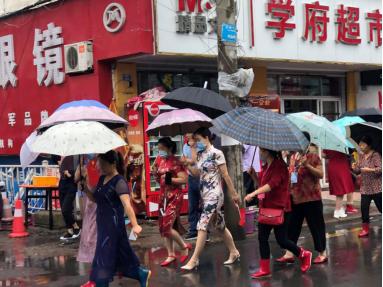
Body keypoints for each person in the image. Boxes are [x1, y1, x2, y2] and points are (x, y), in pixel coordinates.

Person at [80, 150, 151, 287]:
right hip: (102, 224)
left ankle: (101, 283)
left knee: (104, 257)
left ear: (112, 163)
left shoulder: (119, 182)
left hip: (113, 227)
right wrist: (86, 188)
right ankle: (141, 273)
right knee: (121, 256)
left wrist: (135, 225)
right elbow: (96, 199)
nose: (98, 167)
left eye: (101, 163)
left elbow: (127, 205)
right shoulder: (102, 179)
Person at [245, 148, 312, 278]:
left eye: (261, 150)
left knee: (282, 240)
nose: (259, 153)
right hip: (267, 207)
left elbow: (271, 185)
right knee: (262, 237)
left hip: (279, 208)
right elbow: (262, 184)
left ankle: (303, 254)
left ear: (268, 151)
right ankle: (264, 269)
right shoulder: (267, 166)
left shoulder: (279, 166)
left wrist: (252, 194)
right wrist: (253, 175)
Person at [181, 127, 240, 271]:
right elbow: (196, 173)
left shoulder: (217, 153)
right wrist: (188, 164)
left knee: (202, 225)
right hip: (205, 195)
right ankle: (234, 252)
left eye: (198, 140)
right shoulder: (200, 155)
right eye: (195, 140)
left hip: (214, 195)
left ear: (206, 137)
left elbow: (225, 175)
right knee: (219, 226)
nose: (196, 142)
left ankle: (194, 259)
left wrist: (233, 194)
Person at [277, 134, 328, 265]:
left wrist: (308, 166)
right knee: (292, 226)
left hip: (312, 198)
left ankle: (322, 253)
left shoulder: (313, 156)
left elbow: (321, 174)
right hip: (296, 197)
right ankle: (289, 253)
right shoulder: (293, 156)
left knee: (316, 226)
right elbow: (292, 177)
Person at [152, 137, 191, 267]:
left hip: (174, 196)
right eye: (158, 149)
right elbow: (159, 180)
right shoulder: (158, 160)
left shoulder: (176, 161)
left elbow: (184, 180)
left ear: (169, 148)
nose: (160, 151)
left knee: (167, 226)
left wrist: (171, 180)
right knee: (163, 227)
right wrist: (155, 174)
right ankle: (171, 254)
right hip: (163, 197)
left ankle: (184, 246)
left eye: (162, 149)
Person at [352, 135, 382, 238]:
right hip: (365, 188)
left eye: (363, 144)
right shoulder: (361, 156)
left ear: (368, 145)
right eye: (360, 144)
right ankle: (365, 229)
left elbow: (380, 170)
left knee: (381, 207)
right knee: (364, 209)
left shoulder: (375, 155)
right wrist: (355, 167)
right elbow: (358, 171)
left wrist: (371, 170)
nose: (360, 146)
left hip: (376, 188)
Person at [76, 155, 99, 264]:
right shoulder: (85, 165)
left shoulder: (97, 166)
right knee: (88, 230)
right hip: (88, 200)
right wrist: (81, 166)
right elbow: (75, 178)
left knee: (93, 233)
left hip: (96, 204)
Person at [323, 149, 356, 219]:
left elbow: (324, 155)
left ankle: (339, 208)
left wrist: (332, 155)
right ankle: (337, 211)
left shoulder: (328, 144)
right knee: (340, 191)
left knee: (340, 190)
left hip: (334, 166)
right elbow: (350, 152)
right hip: (340, 166)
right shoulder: (342, 143)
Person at [182, 134, 201, 241]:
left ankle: (204, 231)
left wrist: (193, 147)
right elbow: (184, 159)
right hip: (191, 177)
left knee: (202, 206)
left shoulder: (200, 145)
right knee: (192, 205)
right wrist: (188, 161)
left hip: (201, 177)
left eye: (188, 132)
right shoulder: (185, 146)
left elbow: (194, 160)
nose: (186, 134)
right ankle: (193, 230)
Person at [58, 155, 81, 240]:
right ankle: (70, 230)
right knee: (63, 208)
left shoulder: (76, 155)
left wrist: (68, 173)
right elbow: (58, 163)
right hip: (62, 183)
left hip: (71, 183)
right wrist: (61, 167)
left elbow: (79, 169)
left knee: (66, 208)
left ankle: (76, 227)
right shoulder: (61, 154)